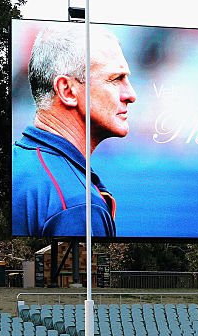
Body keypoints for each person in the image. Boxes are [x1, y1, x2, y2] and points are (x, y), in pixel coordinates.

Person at [12, 24, 137, 238]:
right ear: (67, 91)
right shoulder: (78, 205)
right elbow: (73, 272)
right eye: (116, 79)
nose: (131, 94)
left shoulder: (16, 162)